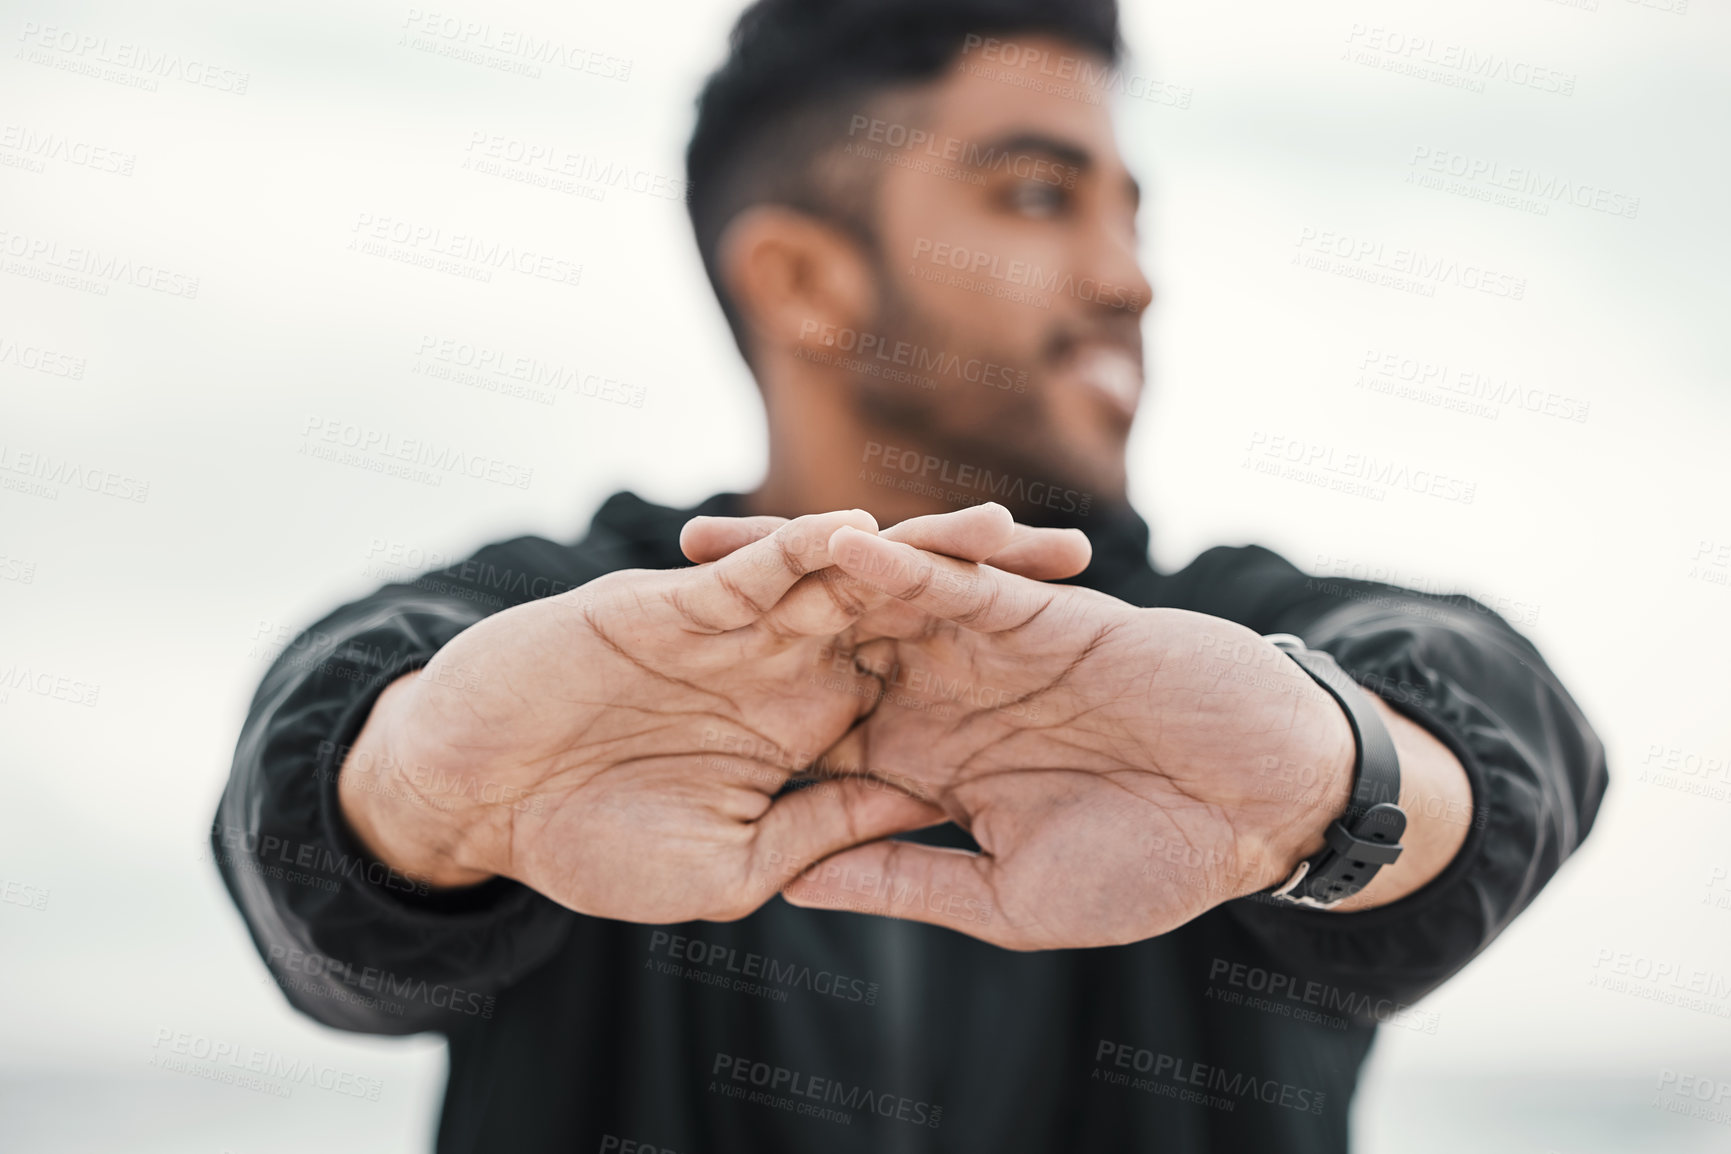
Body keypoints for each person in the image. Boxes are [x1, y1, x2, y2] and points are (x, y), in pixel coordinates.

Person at [210, 0, 1607, 1149]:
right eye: (1040, 193)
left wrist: (1329, 776)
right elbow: (312, 793)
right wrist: (422, 797)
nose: (1128, 276)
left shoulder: (1236, 642)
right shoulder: (570, 643)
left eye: (1130, 209)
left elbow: (1500, 724)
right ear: (806, 278)